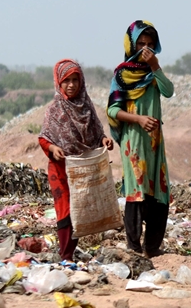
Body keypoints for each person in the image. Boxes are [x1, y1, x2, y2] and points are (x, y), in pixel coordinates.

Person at [107, 20, 174, 257]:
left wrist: (156, 66)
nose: (145, 49)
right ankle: (134, 248)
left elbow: (169, 91)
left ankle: (153, 248)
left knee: (158, 191)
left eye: (150, 44)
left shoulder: (154, 75)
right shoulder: (122, 74)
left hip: (154, 142)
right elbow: (113, 110)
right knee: (136, 192)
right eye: (140, 43)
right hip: (133, 141)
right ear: (131, 45)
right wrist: (138, 119)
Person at [39, 59, 114, 261]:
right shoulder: (54, 109)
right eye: (66, 80)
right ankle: (66, 256)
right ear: (58, 82)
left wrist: (105, 140)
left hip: (82, 169)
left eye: (75, 80)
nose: (71, 85)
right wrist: (53, 149)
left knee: (78, 211)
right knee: (65, 212)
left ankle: (69, 254)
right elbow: (44, 138)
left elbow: (97, 132)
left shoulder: (86, 106)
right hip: (60, 168)